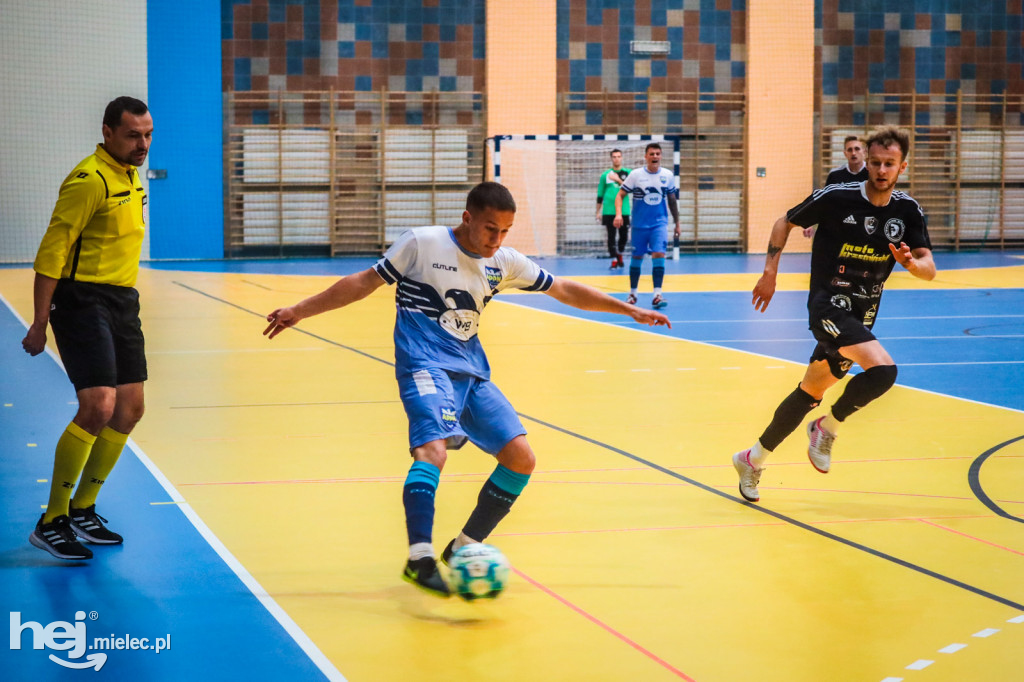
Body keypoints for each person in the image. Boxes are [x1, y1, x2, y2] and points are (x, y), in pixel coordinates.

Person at [264, 182, 671, 597]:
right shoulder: (422, 243)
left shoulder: (504, 262)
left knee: (521, 459)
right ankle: (419, 558)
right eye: (490, 229)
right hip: (424, 364)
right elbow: (362, 283)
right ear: (467, 218)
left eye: (506, 231)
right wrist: (299, 310)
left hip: (472, 372)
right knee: (433, 450)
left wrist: (629, 309)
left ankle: (462, 549)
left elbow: (563, 288)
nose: (497, 240)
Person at [732, 125, 935, 503]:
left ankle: (752, 459)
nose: (880, 169)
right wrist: (769, 274)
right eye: (875, 162)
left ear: (901, 166)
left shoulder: (907, 211)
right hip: (828, 305)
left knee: (810, 390)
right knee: (884, 371)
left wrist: (911, 265)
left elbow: (929, 267)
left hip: (862, 314)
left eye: (889, 164)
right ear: (866, 162)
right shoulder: (837, 196)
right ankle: (828, 426)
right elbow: (784, 222)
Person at [22, 96, 153, 559]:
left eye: (148, 134)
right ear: (108, 133)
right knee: (98, 406)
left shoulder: (131, 177)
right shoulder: (88, 179)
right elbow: (52, 252)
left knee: (130, 408)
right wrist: (40, 322)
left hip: (121, 299)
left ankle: (83, 508)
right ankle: (52, 518)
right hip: (81, 300)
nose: (143, 144)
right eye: (134, 135)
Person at [614, 142, 680, 309]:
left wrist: (677, 223)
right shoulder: (636, 175)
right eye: (652, 154)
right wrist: (619, 214)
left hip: (659, 224)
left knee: (659, 254)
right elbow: (620, 195)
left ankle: (657, 294)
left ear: (661, 156)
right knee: (637, 258)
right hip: (639, 225)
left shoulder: (668, 175)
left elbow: (672, 201)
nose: (655, 156)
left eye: (658, 154)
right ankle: (633, 293)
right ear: (646, 156)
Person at [804, 136, 869, 238]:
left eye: (857, 149)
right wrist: (810, 222)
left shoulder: (872, 174)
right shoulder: (835, 175)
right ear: (845, 153)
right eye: (849, 150)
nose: (853, 153)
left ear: (864, 152)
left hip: (865, 225)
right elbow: (824, 201)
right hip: (842, 227)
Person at [596, 149, 631, 269]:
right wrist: (598, 211)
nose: (617, 159)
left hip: (623, 210)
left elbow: (629, 189)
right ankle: (614, 259)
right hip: (609, 211)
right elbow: (600, 194)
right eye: (614, 157)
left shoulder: (628, 173)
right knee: (611, 236)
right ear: (611, 158)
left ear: (622, 158)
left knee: (624, 236)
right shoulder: (606, 175)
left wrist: (618, 179)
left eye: (619, 156)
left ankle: (620, 254)